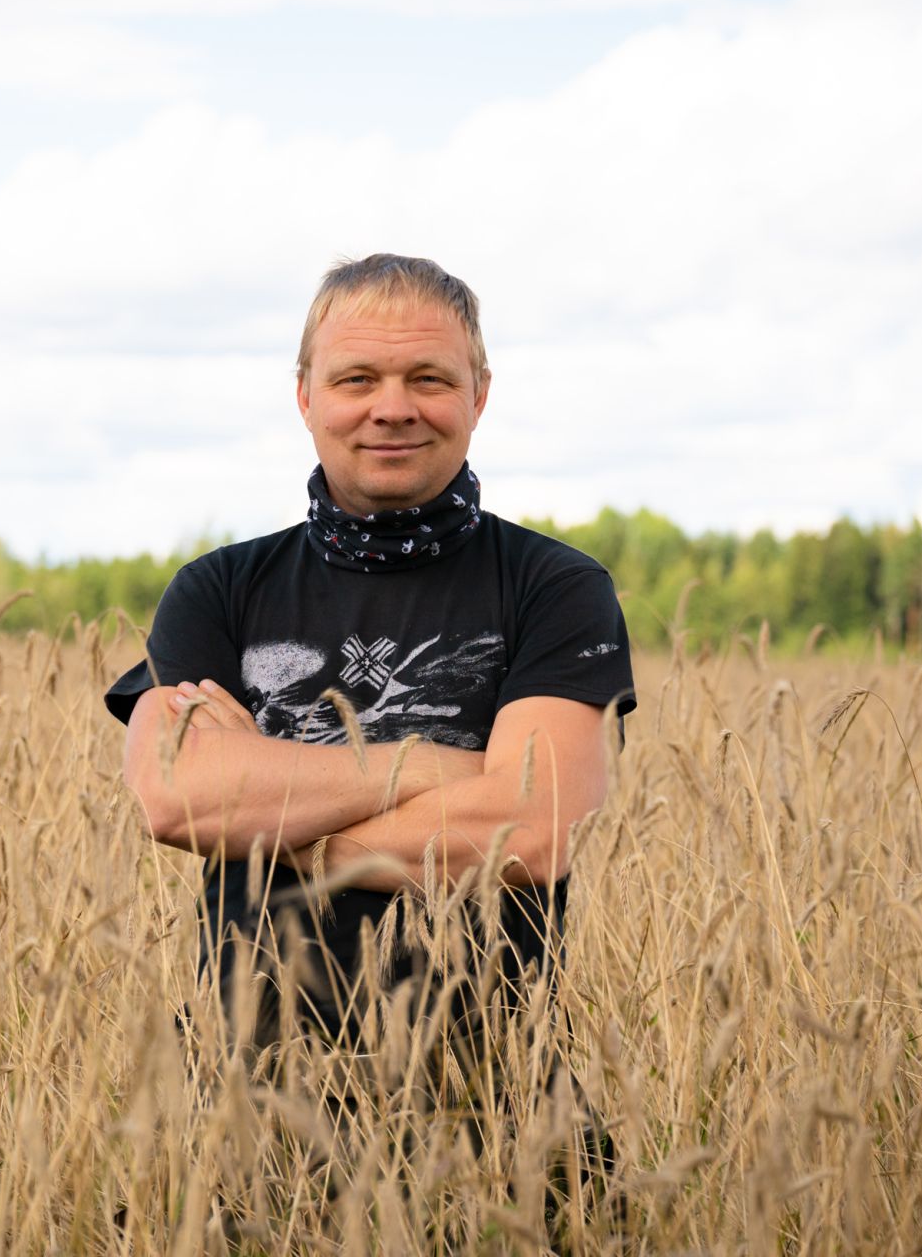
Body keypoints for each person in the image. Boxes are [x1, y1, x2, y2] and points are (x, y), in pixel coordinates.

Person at [103, 253, 635, 1226]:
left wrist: (276, 826)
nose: (393, 407)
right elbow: (175, 797)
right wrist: (425, 766)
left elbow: (533, 830)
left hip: (499, 1119)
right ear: (306, 396)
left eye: (428, 377)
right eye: (357, 378)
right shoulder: (218, 591)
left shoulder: (555, 588)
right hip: (244, 1115)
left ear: (479, 395)